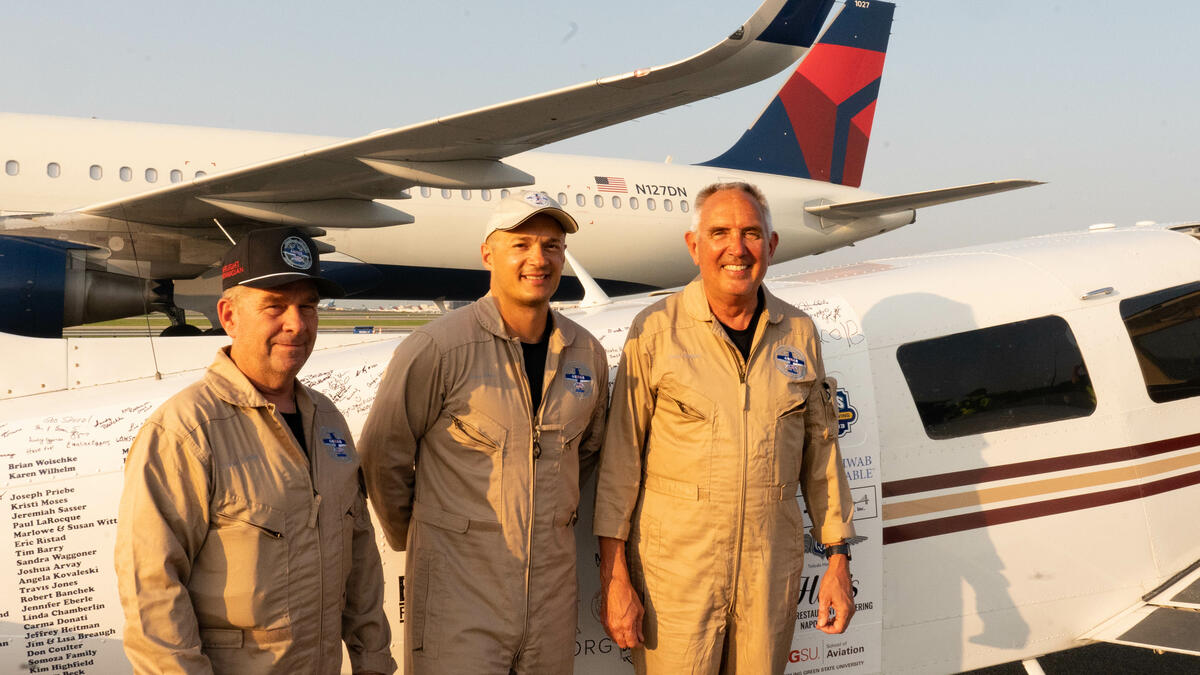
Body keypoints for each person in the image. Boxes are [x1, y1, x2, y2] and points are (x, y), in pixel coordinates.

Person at [593, 182, 856, 674]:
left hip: (769, 571)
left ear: (771, 246)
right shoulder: (655, 331)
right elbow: (620, 465)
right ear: (695, 246)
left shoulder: (799, 332)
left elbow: (822, 457)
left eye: (751, 233)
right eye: (719, 233)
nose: (736, 249)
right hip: (676, 575)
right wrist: (614, 578)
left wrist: (838, 560)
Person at [115, 227, 395, 675]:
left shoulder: (327, 420)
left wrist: (375, 663)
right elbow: (152, 590)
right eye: (275, 306)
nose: (296, 324)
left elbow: (360, 559)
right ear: (229, 315)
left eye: (308, 306)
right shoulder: (187, 431)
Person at [360, 190, 608, 674]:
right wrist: (430, 537)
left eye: (552, 246)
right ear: (487, 254)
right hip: (459, 590)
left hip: (550, 597)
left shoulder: (587, 353)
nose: (539, 259)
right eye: (521, 244)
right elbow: (382, 455)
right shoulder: (439, 347)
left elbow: (588, 451)